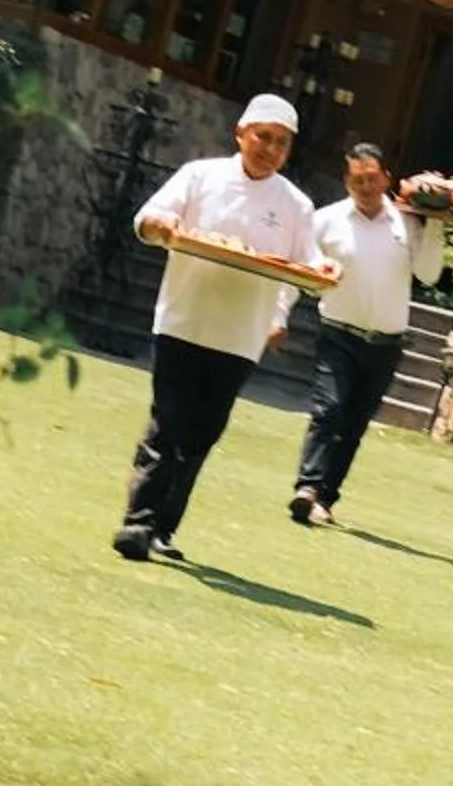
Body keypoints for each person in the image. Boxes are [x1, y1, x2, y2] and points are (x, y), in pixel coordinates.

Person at [111, 91, 321, 565]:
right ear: (241, 134)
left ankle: (162, 528)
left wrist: (290, 305)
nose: (269, 149)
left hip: (239, 337)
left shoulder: (296, 205)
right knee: (166, 425)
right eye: (262, 137)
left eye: (280, 143)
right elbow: (147, 219)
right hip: (184, 320)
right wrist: (160, 225)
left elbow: (303, 269)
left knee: (200, 436)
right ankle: (137, 525)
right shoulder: (199, 176)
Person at [290, 140, 447, 528]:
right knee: (329, 410)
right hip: (338, 334)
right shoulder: (326, 220)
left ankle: (325, 499)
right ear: (346, 181)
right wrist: (281, 313)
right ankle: (307, 488)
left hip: (386, 343)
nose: (363, 186)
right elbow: (300, 273)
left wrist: (438, 223)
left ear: (387, 180)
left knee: (354, 425)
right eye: (356, 179)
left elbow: (428, 275)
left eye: (371, 179)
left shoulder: (407, 223)